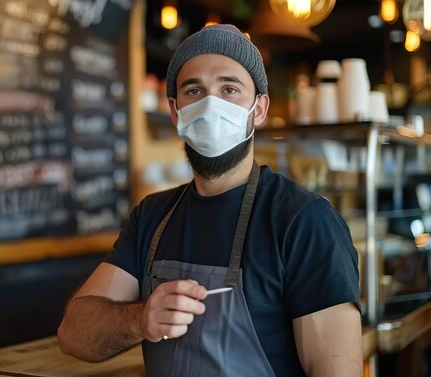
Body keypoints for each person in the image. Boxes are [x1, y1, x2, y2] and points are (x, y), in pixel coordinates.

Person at [57, 24, 362, 376]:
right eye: (194, 90)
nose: (210, 104)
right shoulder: (153, 217)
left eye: (229, 89)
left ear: (258, 109)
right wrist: (140, 319)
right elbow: (73, 333)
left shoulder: (305, 221)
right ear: (175, 111)